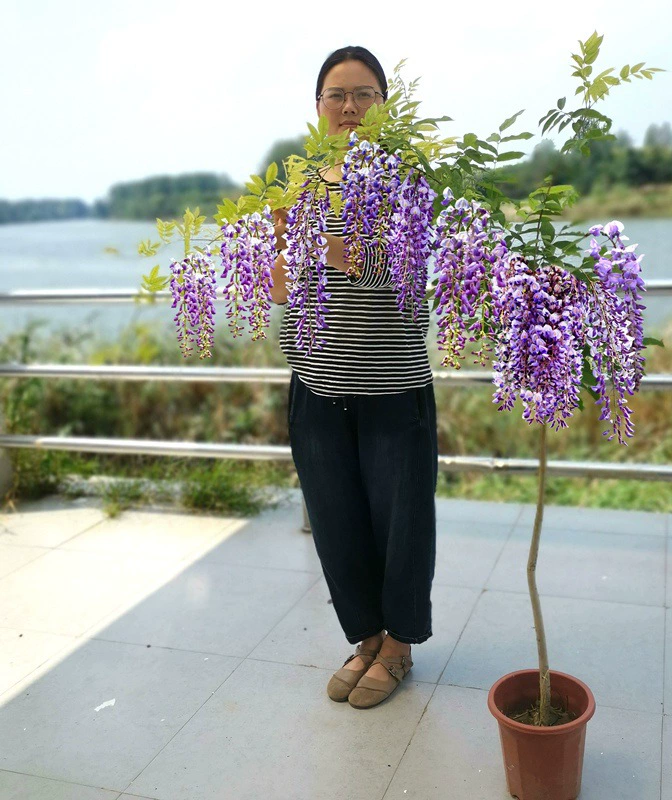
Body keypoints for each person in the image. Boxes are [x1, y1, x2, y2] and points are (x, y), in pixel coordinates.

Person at [268, 45, 438, 710]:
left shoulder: (407, 178)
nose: (349, 106)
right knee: (335, 521)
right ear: (318, 106)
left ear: (384, 105)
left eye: (364, 93)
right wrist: (283, 244)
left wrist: (328, 244)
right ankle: (365, 637)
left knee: (402, 523)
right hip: (316, 383)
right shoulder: (300, 180)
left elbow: (403, 273)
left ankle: (398, 647)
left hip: (392, 382)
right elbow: (279, 288)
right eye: (336, 94)